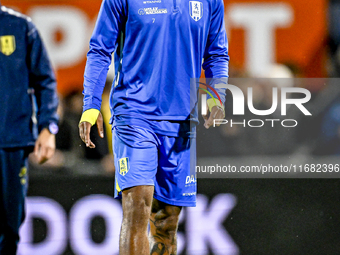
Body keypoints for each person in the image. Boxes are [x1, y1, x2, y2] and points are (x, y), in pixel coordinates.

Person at [79, 0, 229, 254]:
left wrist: (217, 95)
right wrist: (92, 104)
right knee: (137, 204)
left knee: (167, 225)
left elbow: (216, 53)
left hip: (182, 121)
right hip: (134, 113)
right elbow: (100, 50)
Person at [0, 3, 59, 254]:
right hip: (12, 138)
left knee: (9, 226)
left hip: (11, 141)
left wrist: (48, 127)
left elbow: (45, 80)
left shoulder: (21, 27)